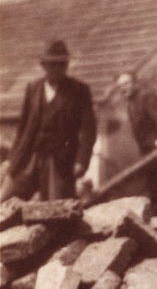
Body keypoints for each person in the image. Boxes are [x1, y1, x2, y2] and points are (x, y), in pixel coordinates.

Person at [0, 39, 96, 202]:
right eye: (52, 64)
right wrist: (13, 158)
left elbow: (89, 130)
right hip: (29, 157)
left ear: (66, 65)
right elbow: (23, 129)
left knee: (55, 206)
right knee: (4, 199)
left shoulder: (79, 90)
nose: (57, 69)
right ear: (43, 65)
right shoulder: (33, 88)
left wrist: (81, 161)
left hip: (59, 162)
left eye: (62, 64)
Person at [115, 71, 157, 207]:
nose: (123, 88)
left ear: (135, 83)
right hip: (146, 151)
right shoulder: (130, 102)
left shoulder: (146, 97)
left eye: (126, 83)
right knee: (151, 186)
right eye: (120, 86)